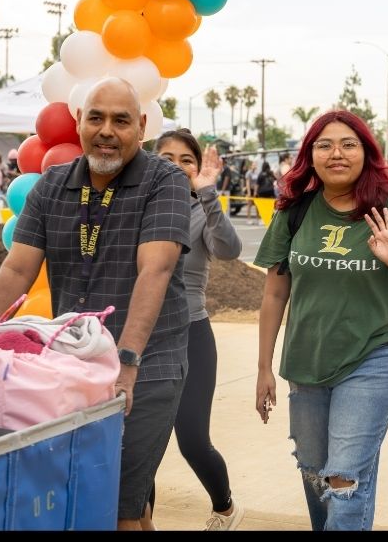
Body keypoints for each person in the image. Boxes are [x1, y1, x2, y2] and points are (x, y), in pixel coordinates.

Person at [0, 77, 191, 530]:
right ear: (78, 122)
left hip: (147, 365)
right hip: (73, 365)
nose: (106, 130)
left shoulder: (166, 181)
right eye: (96, 117)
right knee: (107, 500)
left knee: (117, 507)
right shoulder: (52, 184)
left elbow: (154, 270)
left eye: (120, 120)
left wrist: (128, 361)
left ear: (140, 126)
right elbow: (17, 269)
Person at [254, 111, 388, 531]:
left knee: (345, 478)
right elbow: (275, 292)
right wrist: (264, 368)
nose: (337, 153)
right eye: (325, 145)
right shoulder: (294, 211)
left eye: (348, 144)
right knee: (316, 471)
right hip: (306, 359)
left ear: (366, 154)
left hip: (372, 357)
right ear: (310, 156)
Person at [155, 130, 243, 531]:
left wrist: (208, 194)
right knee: (141, 449)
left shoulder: (199, 211)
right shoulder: (135, 208)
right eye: (166, 157)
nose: (175, 165)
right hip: (141, 341)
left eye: (185, 160)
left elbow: (229, 250)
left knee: (191, 440)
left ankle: (225, 506)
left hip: (191, 333)